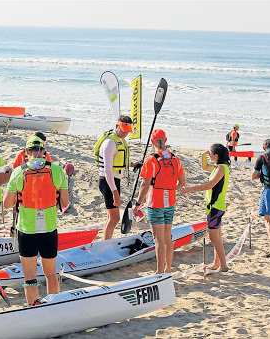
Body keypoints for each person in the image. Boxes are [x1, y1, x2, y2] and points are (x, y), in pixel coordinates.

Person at [3, 136, 69, 306]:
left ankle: (34, 307)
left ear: (26, 152)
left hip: (27, 230)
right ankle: (54, 306)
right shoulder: (57, 171)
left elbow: (7, 204)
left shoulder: (18, 171)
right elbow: (65, 204)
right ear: (44, 152)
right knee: (51, 273)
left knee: (30, 278)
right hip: (49, 230)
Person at [133, 129, 186, 274]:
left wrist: (138, 204)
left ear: (152, 141)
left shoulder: (151, 160)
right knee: (167, 238)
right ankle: (168, 269)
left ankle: (159, 271)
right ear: (166, 139)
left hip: (155, 203)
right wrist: (169, 188)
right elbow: (182, 182)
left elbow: (145, 185)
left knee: (158, 240)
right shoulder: (176, 159)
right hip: (170, 202)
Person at [181, 144, 230, 272]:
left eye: (210, 153)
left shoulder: (221, 168)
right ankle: (216, 263)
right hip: (214, 206)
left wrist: (191, 189)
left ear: (216, 156)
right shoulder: (218, 167)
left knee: (214, 238)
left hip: (216, 206)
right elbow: (204, 166)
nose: (209, 155)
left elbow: (210, 185)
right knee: (216, 237)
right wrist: (203, 155)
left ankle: (223, 265)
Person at [93, 115, 142, 240]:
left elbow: (118, 160)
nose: (125, 134)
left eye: (127, 132)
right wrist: (115, 193)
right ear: (117, 126)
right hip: (108, 182)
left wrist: (132, 164)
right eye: (123, 131)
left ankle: (106, 241)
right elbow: (108, 170)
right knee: (115, 218)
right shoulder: (110, 143)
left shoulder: (119, 139)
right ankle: (106, 243)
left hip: (113, 181)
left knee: (111, 217)